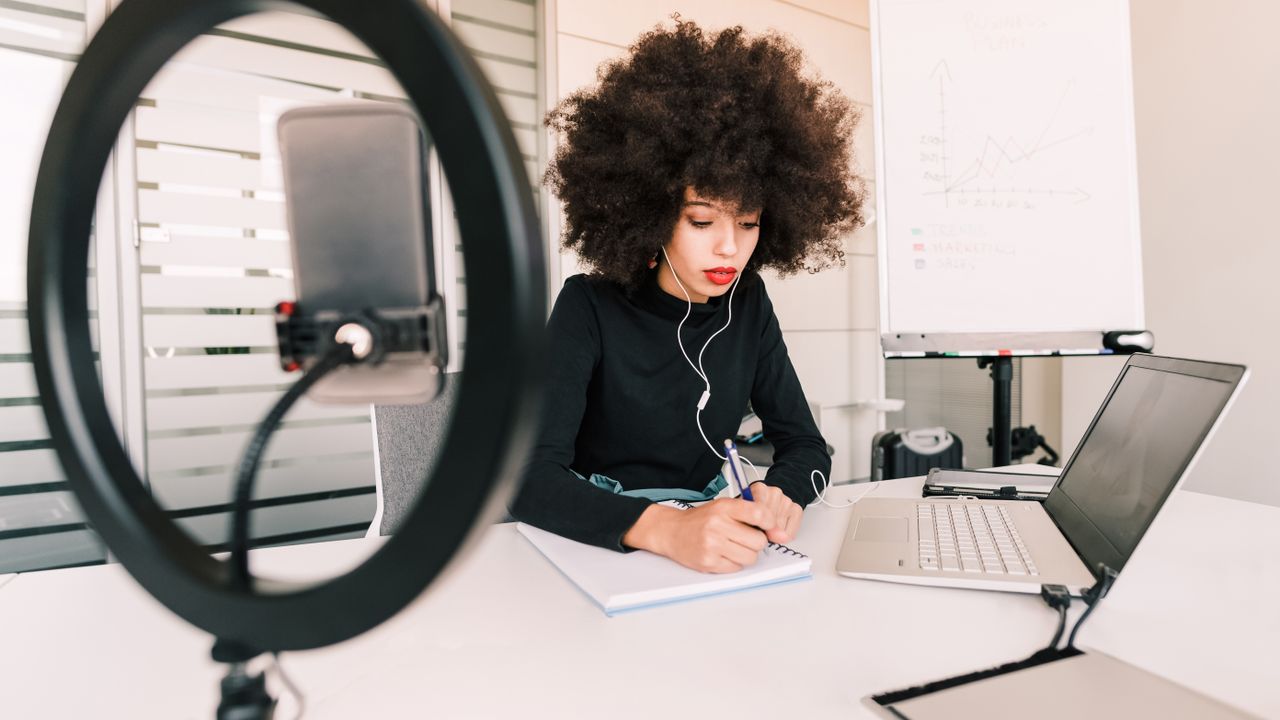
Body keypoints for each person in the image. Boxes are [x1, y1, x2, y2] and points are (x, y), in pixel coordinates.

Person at [510, 19, 865, 573]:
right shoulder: (588, 305)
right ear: (650, 215)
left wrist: (782, 492)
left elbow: (806, 447)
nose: (729, 247)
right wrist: (666, 529)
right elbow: (529, 481)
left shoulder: (747, 303)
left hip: (715, 537)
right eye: (701, 221)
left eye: (747, 222)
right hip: (599, 544)